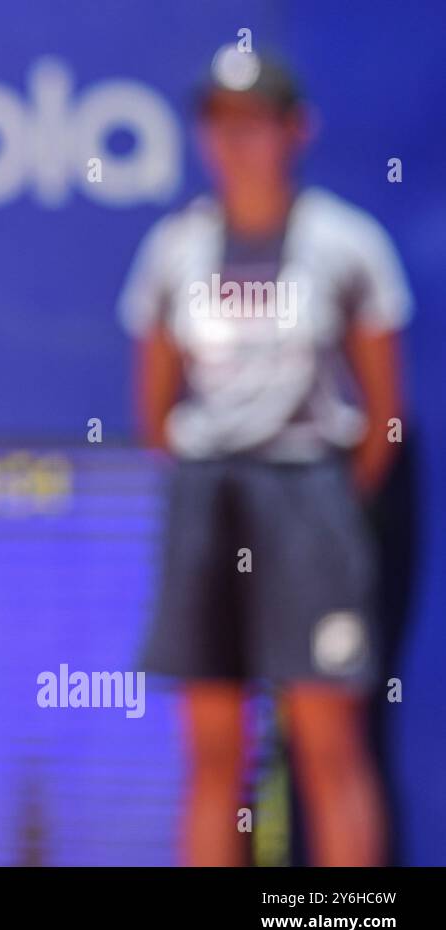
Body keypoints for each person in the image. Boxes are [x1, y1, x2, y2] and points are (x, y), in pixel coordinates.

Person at [118, 45, 412, 866]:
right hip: (207, 500)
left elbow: (387, 414)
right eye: (220, 121)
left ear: (296, 130)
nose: (236, 139)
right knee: (213, 753)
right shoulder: (173, 251)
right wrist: (213, 475)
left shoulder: (349, 246)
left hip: (310, 499)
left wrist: (321, 494)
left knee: (328, 743)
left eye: (255, 121)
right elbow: (155, 410)